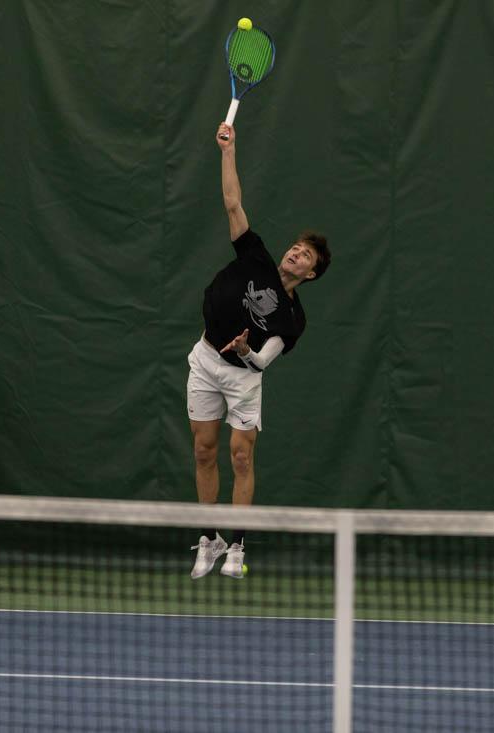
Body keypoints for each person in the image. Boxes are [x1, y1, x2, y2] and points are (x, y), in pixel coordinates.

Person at [187, 121, 331, 579]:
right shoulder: (256, 257)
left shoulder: (293, 320)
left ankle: (238, 547)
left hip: (244, 377)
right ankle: (209, 539)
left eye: (305, 255)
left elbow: (265, 359)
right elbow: (233, 202)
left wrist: (248, 351)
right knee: (204, 451)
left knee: (241, 456)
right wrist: (228, 151)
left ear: (311, 274)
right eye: (295, 247)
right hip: (206, 359)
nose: (295, 253)